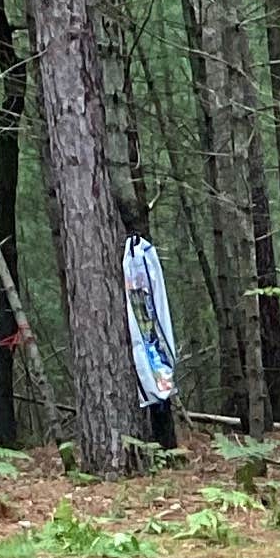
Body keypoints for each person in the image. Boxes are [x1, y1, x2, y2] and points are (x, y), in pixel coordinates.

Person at [121, 192, 181, 455]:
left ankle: (165, 447)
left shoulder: (141, 254)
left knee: (157, 385)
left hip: (150, 341)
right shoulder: (135, 255)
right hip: (144, 342)